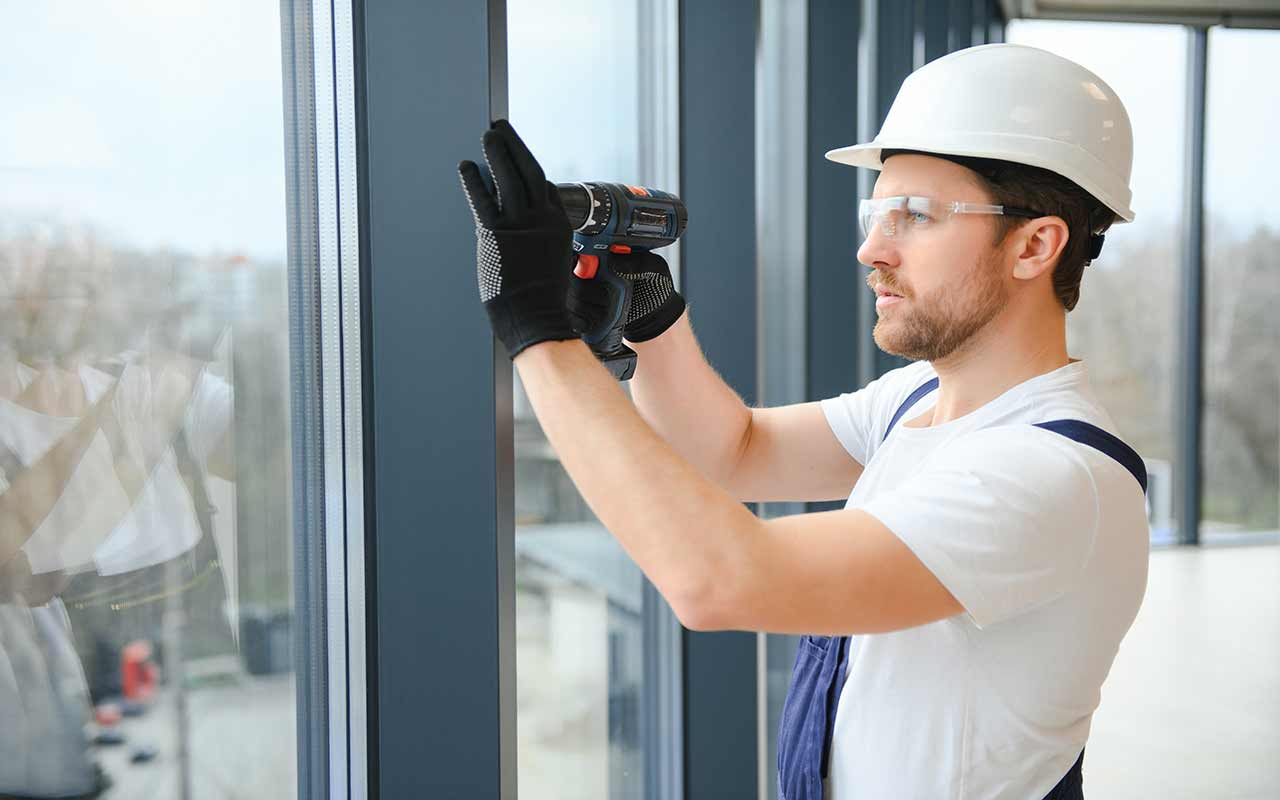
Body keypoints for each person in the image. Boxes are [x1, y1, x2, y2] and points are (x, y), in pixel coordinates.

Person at [457, 42, 1149, 800]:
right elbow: (734, 451)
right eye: (877, 213)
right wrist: (651, 319)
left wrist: (538, 334)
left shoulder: (1052, 473)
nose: (871, 249)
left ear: (1035, 246)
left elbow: (719, 581)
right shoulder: (917, 400)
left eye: (916, 216)